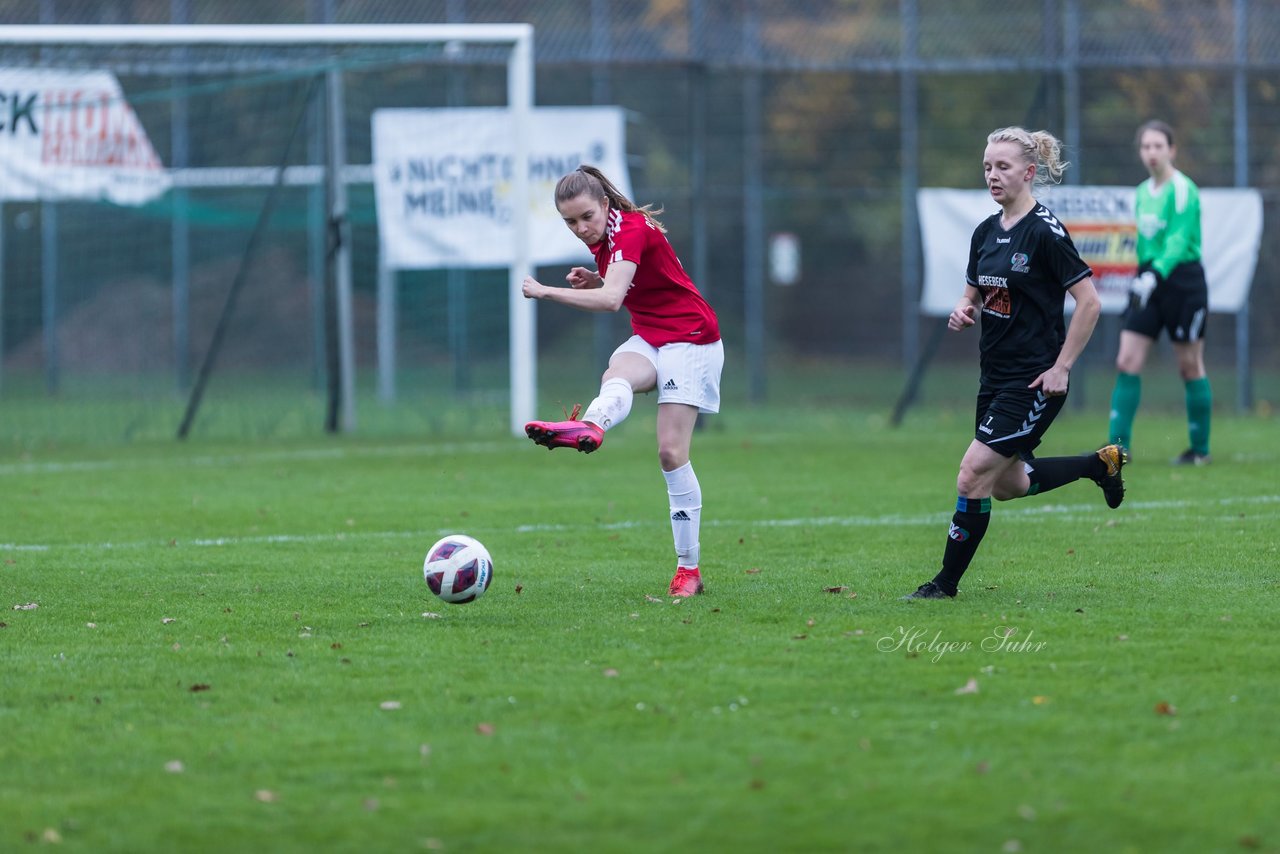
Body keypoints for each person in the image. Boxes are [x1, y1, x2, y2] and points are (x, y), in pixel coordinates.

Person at [906, 127, 1127, 600]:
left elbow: (1089, 303)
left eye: (1002, 167)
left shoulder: (1045, 232)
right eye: (987, 167)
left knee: (971, 474)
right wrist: (963, 310)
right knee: (1006, 484)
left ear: (1028, 172)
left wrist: (1062, 368)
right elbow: (973, 293)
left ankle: (944, 585)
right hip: (994, 377)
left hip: (1034, 379)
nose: (993, 175)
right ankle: (1098, 465)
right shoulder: (985, 232)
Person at [521, 165, 724, 598]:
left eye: (586, 217)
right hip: (653, 335)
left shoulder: (629, 229)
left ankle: (689, 570)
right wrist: (598, 277)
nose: (580, 228)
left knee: (671, 453)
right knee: (617, 375)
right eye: (570, 222)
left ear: (606, 205)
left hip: (691, 338)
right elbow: (634, 284)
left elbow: (612, 300)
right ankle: (591, 427)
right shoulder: (608, 236)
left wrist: (546, 291)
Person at [1107, 120, 1212, 465]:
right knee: (1127, 361)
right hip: (1149, 281)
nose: (1151, 153)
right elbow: (1147, 244)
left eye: (1158, 146)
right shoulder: (1141, 192)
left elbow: (1179, 241)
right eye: (1146, 146)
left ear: (1172, 150)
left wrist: (1155, 274)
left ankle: (1199, 450)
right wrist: (1145, 276)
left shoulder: (1183, 190)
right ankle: (1117, 450)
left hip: (1182, 282)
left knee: (1189, 366)